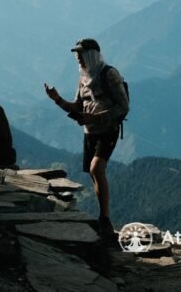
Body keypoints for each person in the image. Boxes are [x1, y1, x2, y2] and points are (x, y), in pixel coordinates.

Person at [44, 38, 129, 238]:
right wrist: (56, 99)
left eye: (81, 55)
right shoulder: (83, 79)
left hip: (108, 130)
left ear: (92, 55)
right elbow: (77, 107)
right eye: (76, 56)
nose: (78, 59)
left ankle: (105, 219)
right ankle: (103, 217)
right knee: (94, 174)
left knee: (96, 168)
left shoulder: (110, 75)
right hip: (89, 132)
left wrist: (96, 117)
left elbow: (123, 106)